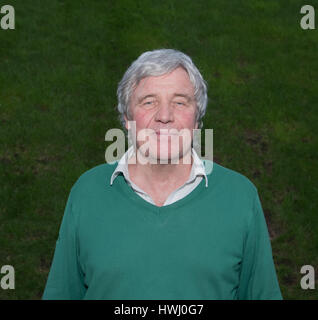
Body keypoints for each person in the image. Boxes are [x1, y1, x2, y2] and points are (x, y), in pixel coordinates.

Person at [42, 49, 282, 300]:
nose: (165, 116)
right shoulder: (88, 192)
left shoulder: (240, 197)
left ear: (197, 120)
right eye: (149, 102)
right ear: (127, 118)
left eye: (180, 102)